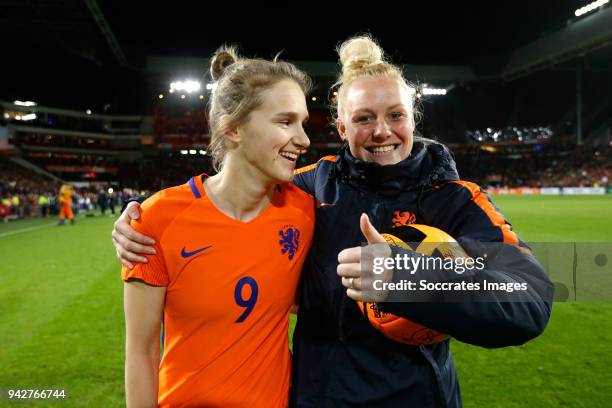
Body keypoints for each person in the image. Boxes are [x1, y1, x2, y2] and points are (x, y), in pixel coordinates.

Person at [114, 36, 553, 407]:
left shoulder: (457, 201)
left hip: (416, 397)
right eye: (364, 118)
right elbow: (229, 188)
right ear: (342, 128)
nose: (382, 130)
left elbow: (529, 298)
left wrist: (407, 278)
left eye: (395, 115)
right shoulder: (308, 190)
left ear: (413, 119)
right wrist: (139, 213)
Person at [121, 47, 314, 407]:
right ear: (233, 128)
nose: (303, 139)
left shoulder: (305, 210)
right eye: (286, 122)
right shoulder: (157, 219)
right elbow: (141, 350)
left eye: (302, 123)